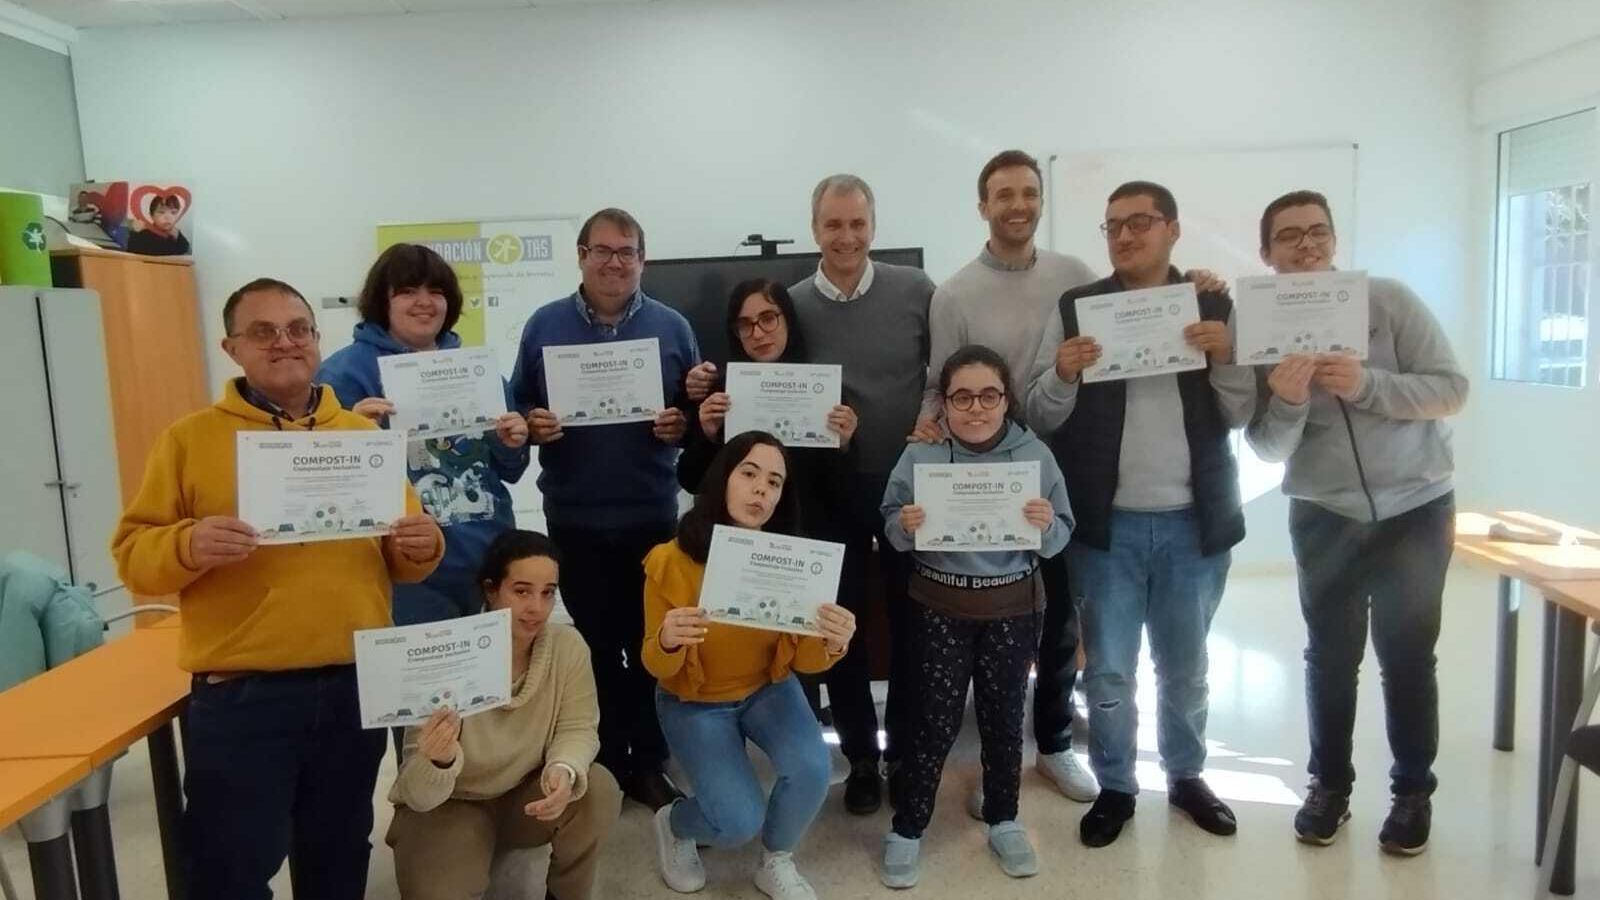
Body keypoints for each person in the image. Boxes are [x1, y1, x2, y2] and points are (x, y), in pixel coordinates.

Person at [112, 277, 444, 899]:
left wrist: (424, 546)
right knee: (230, 871)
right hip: (244, 696)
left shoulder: (361, 438)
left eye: (297, 329)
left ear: (316, 339)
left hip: (352, 686)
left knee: (338, 860)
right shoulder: (189, 439)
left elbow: (401, 555)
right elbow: (133, 558)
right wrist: (188, 545)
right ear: (231, 348)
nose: (284, 342)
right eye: (262, 332)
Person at [1025, 181, 1255, 848]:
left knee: (1186, 669)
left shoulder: (1212, 303)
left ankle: (1186, 777)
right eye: (1113, 225)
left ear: (1172, 229)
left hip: (1195, 525)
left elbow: (1242, 412)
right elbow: (1040, 412)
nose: (1125, 236)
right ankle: (1117, 785)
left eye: (1140, 222)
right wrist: (1063, 372)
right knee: (1108, 672)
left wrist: (1225, 355)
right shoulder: (1078, 308)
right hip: (1107, 528)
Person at [1247, 190, 1467, 855]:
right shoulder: (1260, 328)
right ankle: (1329, 788)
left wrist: (1366, 384)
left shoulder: (1389, 301)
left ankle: (1412, 793)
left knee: (1407, 656)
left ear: (1335, 240)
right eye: (1290, 236)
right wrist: (1288, 401)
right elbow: (1265, 448)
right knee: (1330, 658)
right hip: (1325, 514)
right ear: (1267, 253)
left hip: (1416, 509)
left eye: (1318, 231)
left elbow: (1451, 389)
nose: (1307, 245)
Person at [919, 150, 1102, 806]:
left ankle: (1052, 743)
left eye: (1028, 192)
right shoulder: (955, 293)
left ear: (1041, 200)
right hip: (984, 479)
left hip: (1063, 464)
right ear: (983, 206)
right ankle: (996, 759)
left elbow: (1127, 322)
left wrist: (1197, 284)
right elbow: (939, 384)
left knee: (1058, 615)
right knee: (991, 617)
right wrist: (924, 438)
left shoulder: (1076, 276)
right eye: (1004, 194)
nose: (1018, 205)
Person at [509, 207, 699, 810]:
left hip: (650, 515)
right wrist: (535, 424)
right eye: (603, 251)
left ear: (642, 259)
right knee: (592, 647)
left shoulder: (672, 327)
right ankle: (605, 755)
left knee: (649, 644)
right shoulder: (544, 325)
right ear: (581, 256)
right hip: (575, 517)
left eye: (627, 252)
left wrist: (681, 425)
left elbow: (696, 413)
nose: (615, 262)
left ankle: (649, 760)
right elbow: (520, 406)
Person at [878, 345, 1074, 889]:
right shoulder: (921, 455)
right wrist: (904, 526)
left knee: (1004, 720)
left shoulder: (1034, 456)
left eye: (989, 396)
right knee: (932, 721)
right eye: (962, 397)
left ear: (1007, 400)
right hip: (938, 608)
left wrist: (1045, 525)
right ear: (944, 403)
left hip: (1013, 610)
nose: (976, 408)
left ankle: (1004, 819)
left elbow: (1062, 534)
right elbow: (889, 521)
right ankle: (908, 828)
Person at [644, 431, 857, 900]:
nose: (761, 489)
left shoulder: (792, 559)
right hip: (694, 701)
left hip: (767, 688)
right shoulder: (670, 560)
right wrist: (666, 639)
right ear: (723, 478)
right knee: (738, 821)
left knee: (813, 768)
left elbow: (806, 660)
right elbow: (657, 665)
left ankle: (776, 857)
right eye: (749, 474)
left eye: (774, 482)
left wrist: (833, 642)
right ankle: (675, 823)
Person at [786, 173, 935, 814]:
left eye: (857, 224)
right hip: (831, 488)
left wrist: (930, 418)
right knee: (839, 625)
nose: (846, 237)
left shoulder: (916, 289)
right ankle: (862, 760)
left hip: (908, 484)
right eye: (833, 224)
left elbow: (942, 371)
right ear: (814, 228)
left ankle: (902, 751)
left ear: (873, 226)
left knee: (910, 622)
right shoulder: (793, 304)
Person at [387, 529, 622, 899]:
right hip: (451, 803)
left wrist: (564, 767)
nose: (537, 608)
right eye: (522, 591)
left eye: (548, 593)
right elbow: (417, 794)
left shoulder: (567, 646)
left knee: (598, 788)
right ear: (491, 590)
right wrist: (439, 761)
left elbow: (578, 726)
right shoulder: (445, 652)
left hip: (523, 795)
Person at [318, 243, 530, 626]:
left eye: (436, 291)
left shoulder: (476, 371)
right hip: (407, 572)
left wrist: (512, 443)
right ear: (381, 300)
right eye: (407, 291)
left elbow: (509, 471)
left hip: (488, 558)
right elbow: (326, 486)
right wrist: (351, 433)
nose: (424, 302)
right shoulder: (342, 375)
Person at [677, 278, 858, 717]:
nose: (757, 333)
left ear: (788, 320)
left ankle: (847, 750)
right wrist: (706, 432)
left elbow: (845, 494)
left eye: (768, 318)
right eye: (745, 325)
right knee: (757, 658)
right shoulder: (722, 394)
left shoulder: (826, 392)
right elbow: (691, 480)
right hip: (743, 553)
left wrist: (845, 444)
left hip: (810, 548)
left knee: (826, 655)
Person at [126, 192, 191, 255]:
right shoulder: (144, 233)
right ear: (152, 215)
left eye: (173, 212)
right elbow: (131, 249)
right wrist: (135, 232)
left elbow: (185, 250)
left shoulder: (174, 236)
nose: (168, 217)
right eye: (161, 212)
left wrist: (178, 236)